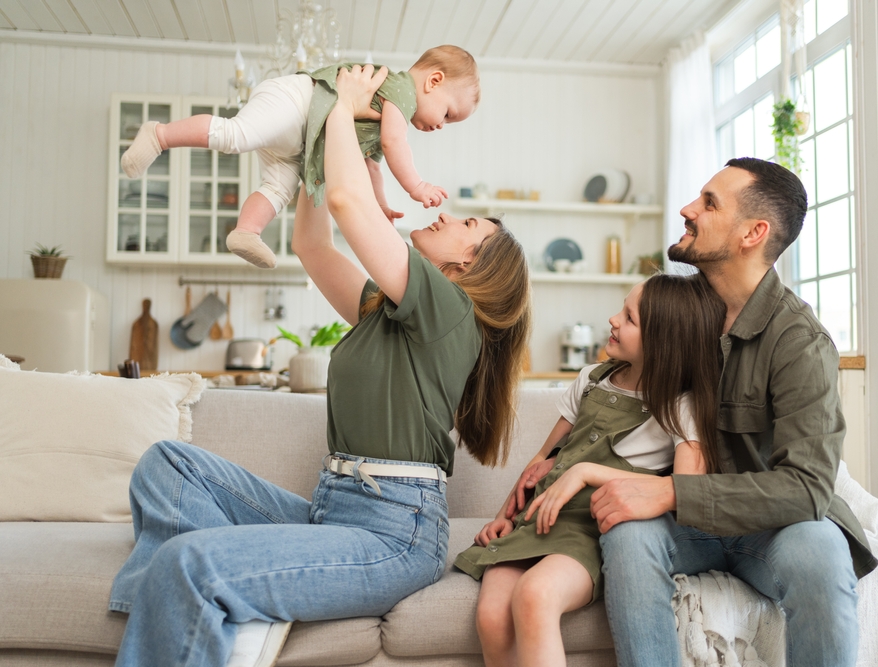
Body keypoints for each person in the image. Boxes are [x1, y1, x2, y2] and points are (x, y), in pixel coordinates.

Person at [106, 64, 530, 667]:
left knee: (188, 560)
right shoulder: (385, 311)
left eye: (465, 225)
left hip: (393, 534)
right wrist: (313, 136)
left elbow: (348, 199)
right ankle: (189, 610)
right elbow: (312, 244)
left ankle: (197, 599)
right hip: (334, 510)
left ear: (474, 268)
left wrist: (341, 108)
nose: (443, 215)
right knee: (168, 464)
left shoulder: (453, 312)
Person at [509, 158, 878, 667]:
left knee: (821, 547)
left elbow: (808, 488)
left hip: (772, 526)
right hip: (685, 526)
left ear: (754, 233)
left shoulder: (799, 342)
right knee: (628, 529)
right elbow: (606, 389)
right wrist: (552, 459)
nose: (687, 210)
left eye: (708, 203)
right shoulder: (680, 314)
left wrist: (667, 490)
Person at [456, 273, 727, 667]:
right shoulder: (590, 379)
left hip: (589, 534)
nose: (613, 319)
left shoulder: (680, 406)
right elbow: (540, 461)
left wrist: (589, 471)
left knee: (535, 596)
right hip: (536, 520)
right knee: (492, 617)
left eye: (630, 318)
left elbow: (685, 490)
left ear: (664, 342)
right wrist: (504, 517)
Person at [120, 45, 480, 269]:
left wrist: (381, 205)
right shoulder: (401, 91)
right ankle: (161, 134)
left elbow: (371, 165)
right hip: (299, 102)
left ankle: (246, 232)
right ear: (433, 81)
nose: (442, 126)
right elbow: (393, 144)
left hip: (304, 138)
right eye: (448, 114)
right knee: (236, 134)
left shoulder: (388, 113)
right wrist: (416, 186)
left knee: (279, 187)